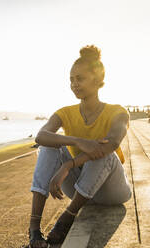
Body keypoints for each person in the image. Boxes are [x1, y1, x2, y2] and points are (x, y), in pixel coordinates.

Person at [26, 45, 132, 248]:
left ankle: (67, 217)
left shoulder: (117, 112)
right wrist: (76, 141)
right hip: (80, 187)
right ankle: (34, 229)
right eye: (71, 79)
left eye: (79, 79)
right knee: (48, 146)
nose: (74, 84)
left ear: (97, 80)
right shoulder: (65, 112)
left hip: (113, 191)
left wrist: (69, 165)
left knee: (105, 152)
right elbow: (41, 136)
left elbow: (113, 144)